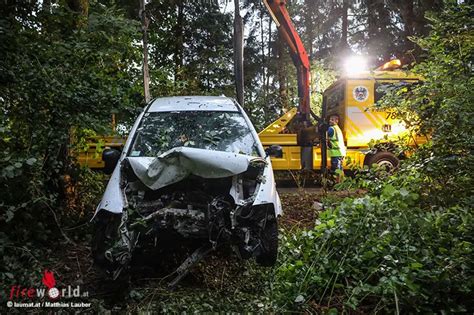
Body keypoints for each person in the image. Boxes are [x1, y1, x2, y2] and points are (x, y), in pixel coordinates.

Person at [327, 114, 346, 182]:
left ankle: (337, 183)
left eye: (332, 120)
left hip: (336, 153)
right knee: (340, 169)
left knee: (336, 169)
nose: (330, 121)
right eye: (330, 119)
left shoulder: (331, 129)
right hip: (340, 152)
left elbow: (324, 135)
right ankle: (341, 183)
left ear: (336, 121)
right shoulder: (337, 128)